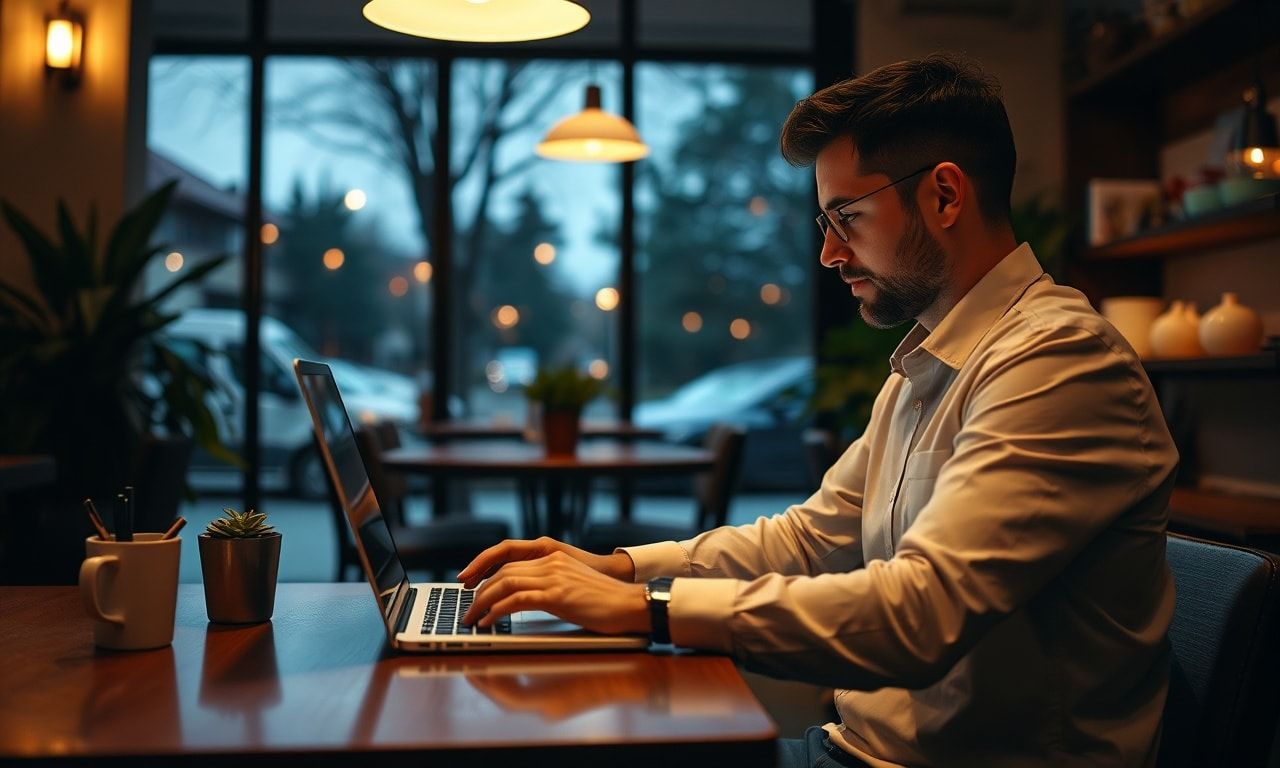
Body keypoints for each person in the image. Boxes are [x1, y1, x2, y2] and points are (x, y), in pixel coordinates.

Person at [460, 53, 1179, 768]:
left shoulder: (1059, 361)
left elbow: (921, 611)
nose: (831, 252)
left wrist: (650, 609)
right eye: (825, 221)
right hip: (853, 748)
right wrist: (618, 568)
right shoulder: (926, 368)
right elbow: (806, 539)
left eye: (849, 216)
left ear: (946, 197)